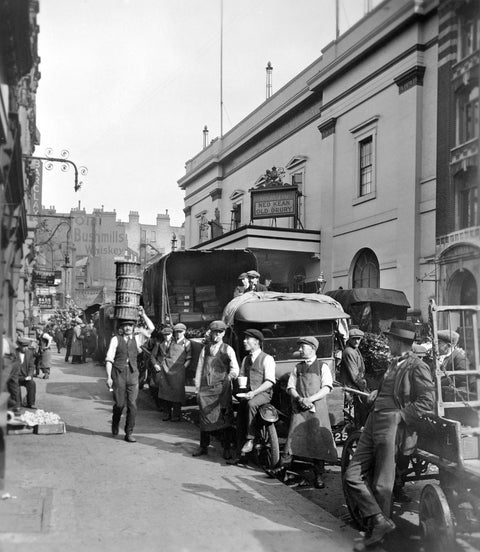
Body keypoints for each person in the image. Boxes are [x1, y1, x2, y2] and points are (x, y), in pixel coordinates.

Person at [343, 320, 435, 548]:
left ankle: (379, 536)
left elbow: (427, 401)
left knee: (383, 485)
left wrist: (401, 416)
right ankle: (378, 520)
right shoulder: (394, 363)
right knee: (351, 475)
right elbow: (389, 388)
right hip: (374, 418)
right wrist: (377, 391)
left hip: (393, 423)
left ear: (398, 342)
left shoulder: (417, 366)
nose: (387, 343)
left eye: (390, 339)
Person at [282, 336, 338, 489]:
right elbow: (290, 387)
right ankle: (289, 471)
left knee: (317, 441)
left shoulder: (322, 367)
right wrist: (300, 398)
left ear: (312, 348)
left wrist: (311, 399)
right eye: (299, 347)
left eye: (303, 347)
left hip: (316, 409)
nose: (300, 350)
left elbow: (327, 387)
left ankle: (319, 474)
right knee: (294, 438)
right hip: (300, 409)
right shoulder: (297, 368)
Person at [105, 308, 155, 443]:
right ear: (122, 327)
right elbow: (109, 359)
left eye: (130, 325)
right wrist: (109, 377)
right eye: (125, 325)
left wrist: (143, 314)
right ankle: (115, 423)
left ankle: (129, 433)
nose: (128, 328)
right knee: (120, 404)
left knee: (132, 405)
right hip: (118, 373)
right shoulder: (116, 339)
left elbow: (151, 328)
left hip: (133, 374)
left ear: (134, 327)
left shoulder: (138, 339)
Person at [192, 320, 239, 459]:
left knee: (223, 417)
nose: (216, 335)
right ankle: (203, 447)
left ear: (223, 333)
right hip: (206, 390)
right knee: (204, 417)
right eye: (214, 332)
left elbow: (235, 368)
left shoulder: (228, 349)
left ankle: (226, 448)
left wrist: (231, 376)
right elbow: (199, 369)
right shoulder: (205, 349)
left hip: (221, 389)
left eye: (219, 333)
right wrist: (197, 389)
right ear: (210, 333)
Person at [228, 328, 275, 464]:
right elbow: (242, 376)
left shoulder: (267, 359)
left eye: (247, 339)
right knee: (240, 415)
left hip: (263, 394)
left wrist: (254, 392)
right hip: (248, 393)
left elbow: (270, 381)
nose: (244, 341)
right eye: (245, 338)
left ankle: (250, 438)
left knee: (251, 404)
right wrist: (240, 385)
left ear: (256, 342)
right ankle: (241, 455)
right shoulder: (246, 359)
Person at [154, 323, 192, 422]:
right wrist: (162, 365)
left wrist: (183, 368)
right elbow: (164, 354)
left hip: (179, 371)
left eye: (180, 332)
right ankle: (166, 414)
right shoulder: (171, 342)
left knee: (177, 393)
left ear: (184, 332)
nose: (178, 334)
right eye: (177, 332)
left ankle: (176, 415)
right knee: (166, 391)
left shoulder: (187, 343)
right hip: (167, 369)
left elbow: (188, 359)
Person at [339, 328, 369, 427]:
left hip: (355, 387)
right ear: (349, 339)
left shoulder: (355, 350)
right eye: (354, 339)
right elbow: (355, 375)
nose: (356, 341)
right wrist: (365, 389)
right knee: (358, 415)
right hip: (351, 389)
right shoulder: (349, 352)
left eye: (359, 339)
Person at [438, 329, 471, 401]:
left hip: (456, 396)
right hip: (444, 393)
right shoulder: (442, 357)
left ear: (448, 345)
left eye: (439, 342)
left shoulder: (459, 358)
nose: (436, 345)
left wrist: (438, 382)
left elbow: (461, 376)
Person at [16, 337, 37, 408]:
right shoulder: (13, 353)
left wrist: (30, 375)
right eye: (24, 346)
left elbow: (31, 366)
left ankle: (30, 403)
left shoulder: (29, 353)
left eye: (27, 346)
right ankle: (18, 404)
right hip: (15, 376)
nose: (26, 348)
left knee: (32, 383)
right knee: (15, 384)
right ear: (19, 346)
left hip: (25, 376)